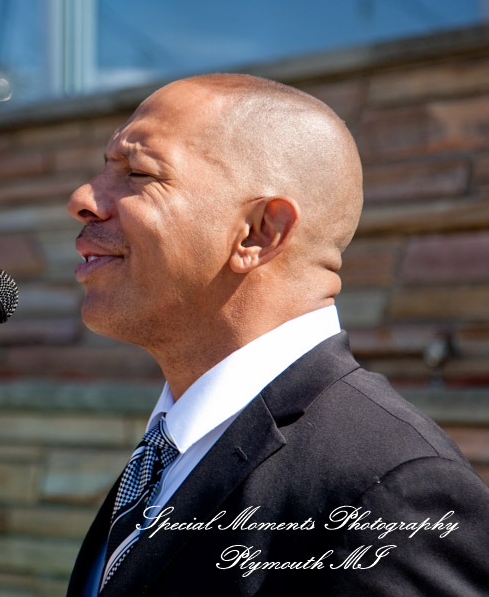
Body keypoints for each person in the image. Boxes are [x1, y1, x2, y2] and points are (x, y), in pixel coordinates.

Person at [65, 74, 489, 596]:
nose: (83, 198)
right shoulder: (171, 450)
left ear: (259, 232)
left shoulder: (391, 489)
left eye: (137, 171)